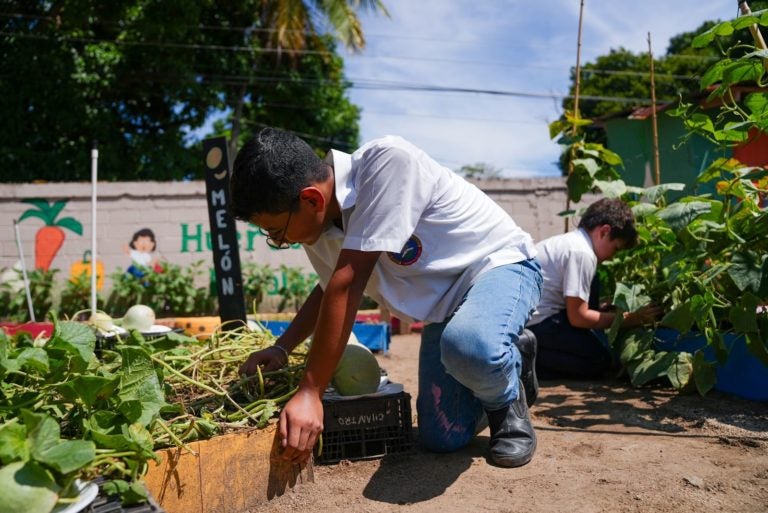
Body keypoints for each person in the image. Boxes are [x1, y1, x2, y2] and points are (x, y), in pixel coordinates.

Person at [229, 127, 542, 468]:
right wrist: (282, 346)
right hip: (447, 309)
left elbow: (346, 285)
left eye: (276, 231)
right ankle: (507, 357)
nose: (281, 241)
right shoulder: (318, 228)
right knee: (442, 437)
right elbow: (327, 289)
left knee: (470, 347)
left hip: (498, 267)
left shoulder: (387, 162)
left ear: (311, 199)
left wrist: (310, 392)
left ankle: (506, 406)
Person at [526, 198, 660, 380]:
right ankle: (524, 362)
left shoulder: (572, 242)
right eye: (616, 248)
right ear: (604, 232)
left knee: (594, 280)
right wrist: (630, 319)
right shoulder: (582, 253)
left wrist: (603, 308)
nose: (613, 257)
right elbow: (579, 318)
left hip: (532, 320)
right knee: (598, 362)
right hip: (537, 325)